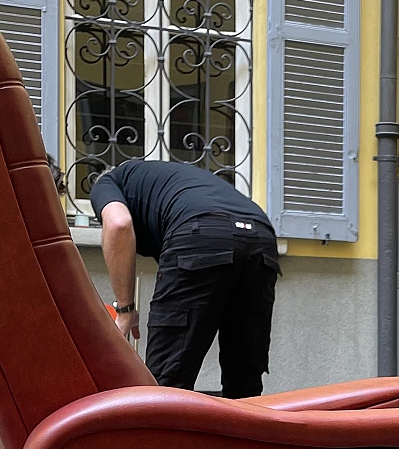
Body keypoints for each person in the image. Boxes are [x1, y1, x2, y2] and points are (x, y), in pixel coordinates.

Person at [89, 158, 280, 395]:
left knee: (167, 384)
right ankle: (244, 429)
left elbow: (118, 225)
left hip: (201, 230)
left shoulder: (107, 181)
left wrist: (126, 310)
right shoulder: (170, 181)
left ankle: (165, 427)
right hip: (262, 237)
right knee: (244, 382)